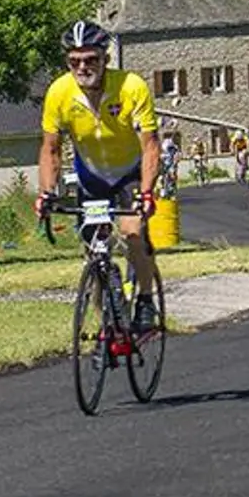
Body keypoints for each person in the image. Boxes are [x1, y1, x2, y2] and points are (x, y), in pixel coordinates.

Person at [35, 20, 162, 333]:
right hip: (91, 177)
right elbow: (51, 150)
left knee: (132, 234)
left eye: (91, 59)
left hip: (129, 174)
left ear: (106, 58)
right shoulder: (59, 93)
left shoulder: (131, 86)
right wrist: (46, 193)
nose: (83, 67)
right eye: (74, 61)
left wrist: (147, 192)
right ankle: (108, 325)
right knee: (94, 250)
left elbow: (150, 146)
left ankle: (146, 300)